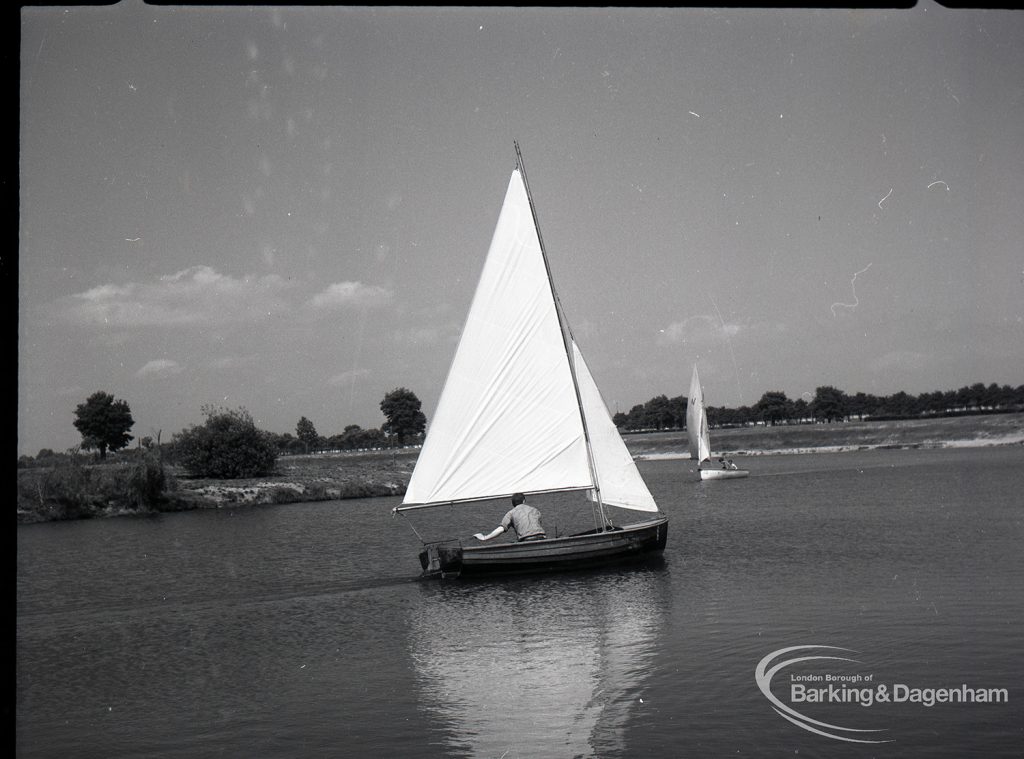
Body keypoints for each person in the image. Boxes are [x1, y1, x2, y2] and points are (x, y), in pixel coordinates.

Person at [474, 492, 546, 542]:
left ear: (513, 503)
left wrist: (485, 537)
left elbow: (501, 529)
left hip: (526, 539)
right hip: (542, 537)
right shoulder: (535, 510)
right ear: (524, 501)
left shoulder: (511, 513)